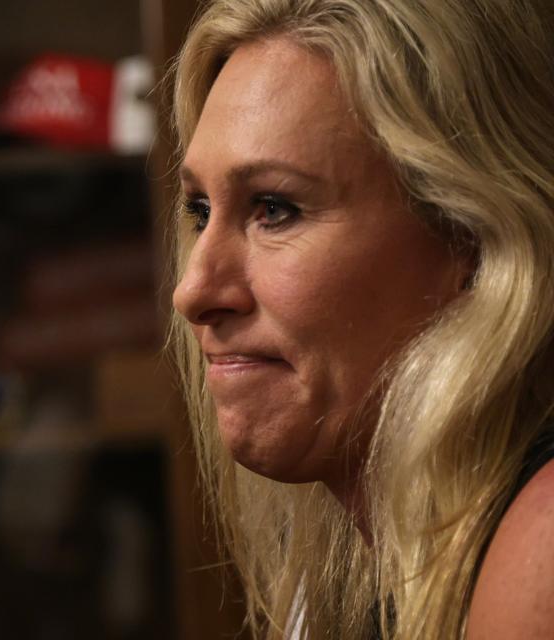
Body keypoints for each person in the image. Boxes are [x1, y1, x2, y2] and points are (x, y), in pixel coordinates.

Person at [167, 1, 554, 638]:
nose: (193, 290)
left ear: (473, 234)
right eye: (201, 211)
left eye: (274, 208)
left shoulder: (540, 549)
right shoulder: (338, 582)